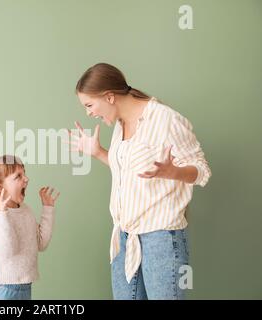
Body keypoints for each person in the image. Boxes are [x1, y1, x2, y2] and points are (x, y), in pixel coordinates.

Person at [68, 63, 211, 299]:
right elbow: (130, 171)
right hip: (124, 238)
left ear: (109, 96)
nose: (89, 113)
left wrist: (173, 172)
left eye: (89, 105)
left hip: (161, 240)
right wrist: (99, 153)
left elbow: (202, 170)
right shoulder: (120, 124)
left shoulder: (164, 119)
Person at [0, 155, 60, 300]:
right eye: (18, 176)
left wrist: (48, 208)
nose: (26, 179)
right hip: (3, 291)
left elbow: (41, 243)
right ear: (0, 188)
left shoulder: (25, 210)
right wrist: (3, 213)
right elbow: (8, 250)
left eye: (24, 173)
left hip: (24, 288)